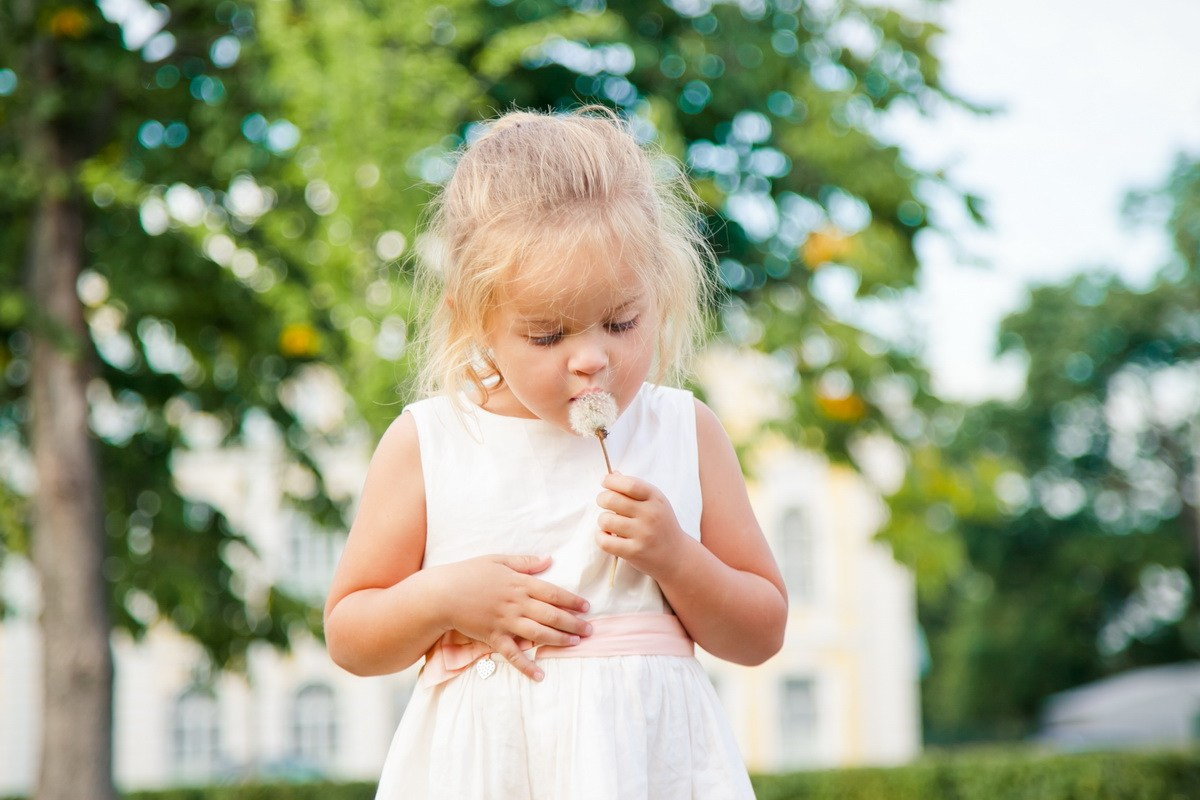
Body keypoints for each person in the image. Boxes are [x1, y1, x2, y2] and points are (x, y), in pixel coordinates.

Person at [324, 106, 788, 799]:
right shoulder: (432, 443)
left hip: (645, 770)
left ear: (657, 296)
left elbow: (761, 630)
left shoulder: (683, 431)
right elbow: (351, 633)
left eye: (621, 322)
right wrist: (446, 595)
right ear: (475, 321)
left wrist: (675, 557)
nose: (592, 359)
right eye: (548, 336)